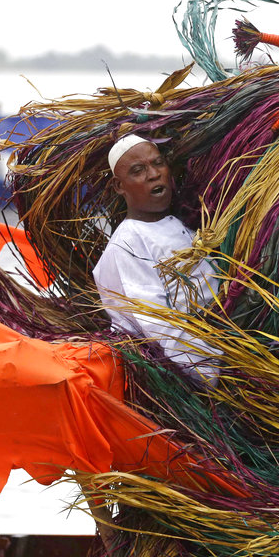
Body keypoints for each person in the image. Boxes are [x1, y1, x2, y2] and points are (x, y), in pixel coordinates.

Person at [92, 134, 220, 384]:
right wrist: (212, 374)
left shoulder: (181, 224)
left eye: (158, 163)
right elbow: (157, 323)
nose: (153, 174)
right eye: (138, 170)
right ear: (119, 186)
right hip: (186, 378)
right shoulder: (126, 244)